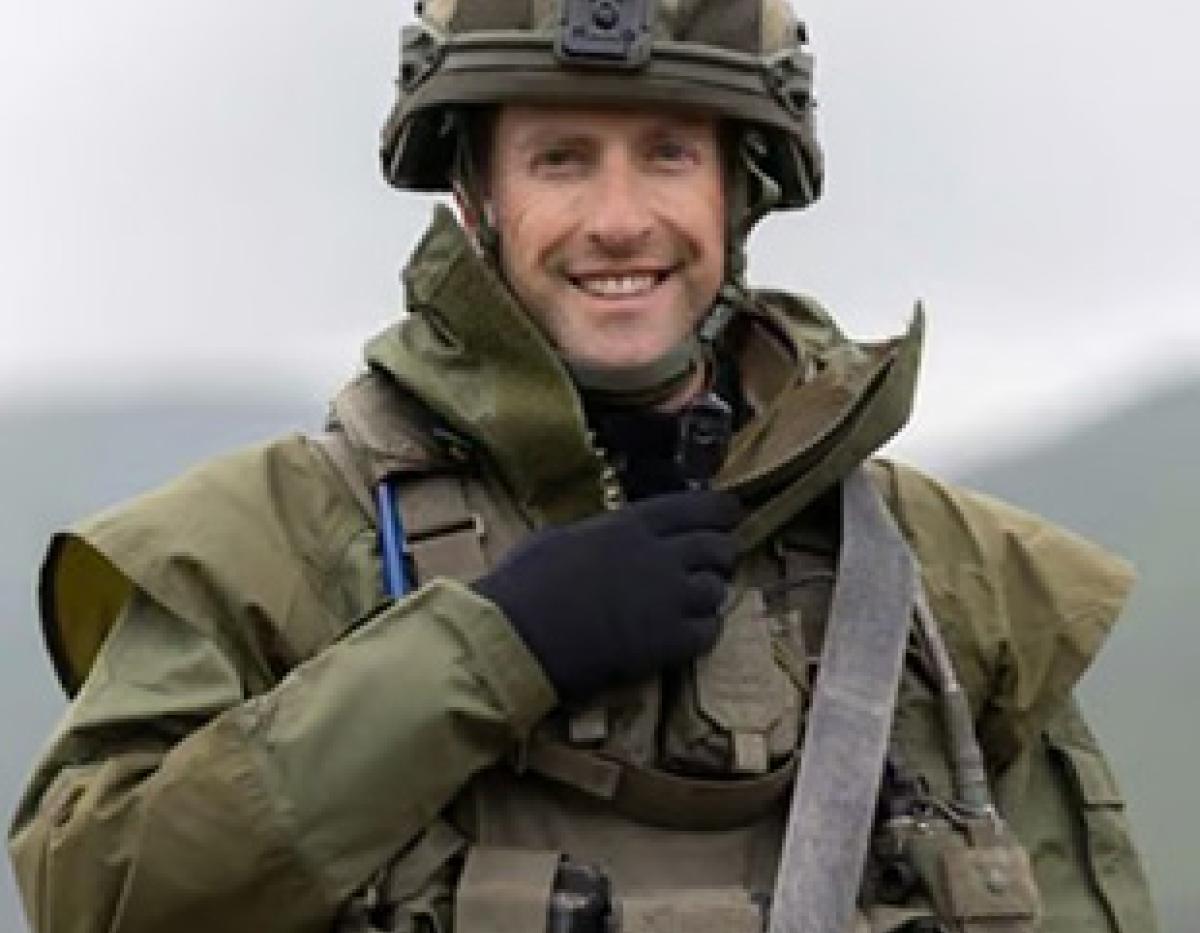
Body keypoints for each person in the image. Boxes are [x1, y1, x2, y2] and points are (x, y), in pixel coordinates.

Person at [8, 1, 1158, 931]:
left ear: (737, 190)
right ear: (477, 198)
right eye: (561, 160)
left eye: (668, 156)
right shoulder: (260, 545)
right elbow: (93, 892)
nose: (619, 219)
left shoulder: (953, 581)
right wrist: (491, 649)